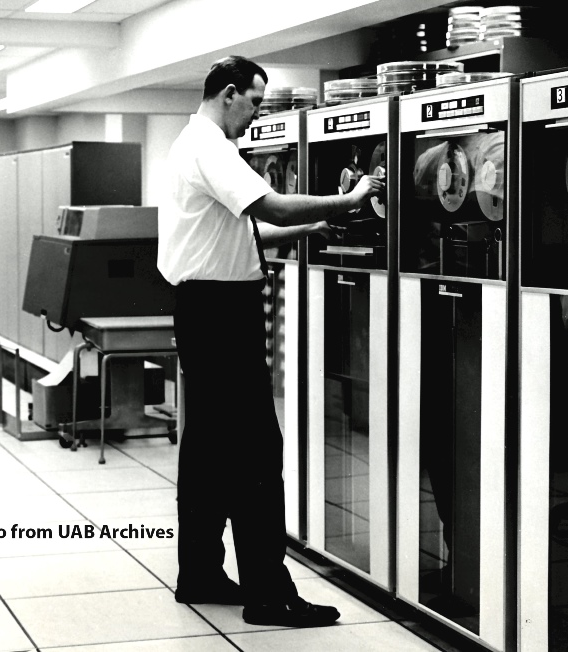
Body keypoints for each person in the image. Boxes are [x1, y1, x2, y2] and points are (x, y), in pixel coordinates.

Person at [158, 55, 384, 628]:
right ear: (229, 93)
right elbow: (271, 204)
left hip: (203, 310)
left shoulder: (193, 143)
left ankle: (201, 573)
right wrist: (352, 198)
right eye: (254, 102)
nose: (255, 116)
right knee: (257, 452)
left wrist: (310, 229)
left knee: (208, 449)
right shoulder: (210, 146)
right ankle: (269, 594)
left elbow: (243, 225)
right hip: (221, 316)